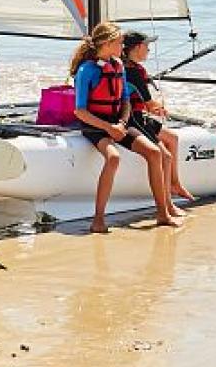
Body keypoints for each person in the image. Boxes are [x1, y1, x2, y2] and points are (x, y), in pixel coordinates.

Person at [70, 21, 178, 232]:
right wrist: (109, 128)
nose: (123, 46)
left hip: (118, 122)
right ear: (107, 44)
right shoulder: (86, 70)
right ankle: (98, 219)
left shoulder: (118, 65)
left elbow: (125, 100)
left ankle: (163, 214)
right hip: (95, 125)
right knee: (113, 157)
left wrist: (121, 123)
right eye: (120, 42)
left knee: (155, 152)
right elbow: (80, 112)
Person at [122, 31, 193, 205]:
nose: (149, 50)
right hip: (133, 119)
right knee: (166, 156)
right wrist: (160, 109)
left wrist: (156, 108)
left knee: (173, 138)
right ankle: (167, 201)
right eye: (147, 46)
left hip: (139, 116)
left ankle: (175, 184)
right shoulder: (132, 72)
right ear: (138, 47)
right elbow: (149, 104)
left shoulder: (134, 68)